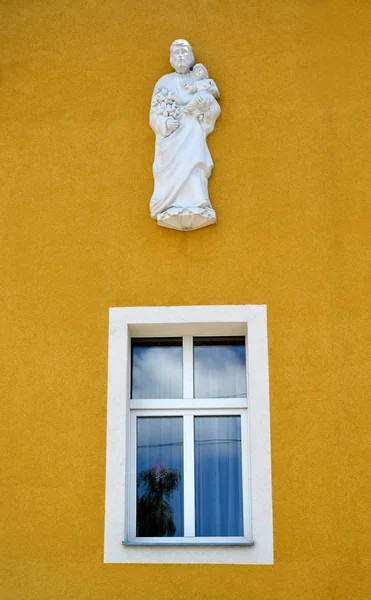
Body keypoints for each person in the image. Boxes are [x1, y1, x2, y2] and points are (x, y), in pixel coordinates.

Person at [149, 40, 221, 231]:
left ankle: (197, 199)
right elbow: (154, 115)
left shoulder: (199, 81)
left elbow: (212, 107)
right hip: (172, 138)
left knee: (195, 161)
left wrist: (206, 111)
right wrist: (165, 123)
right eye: (176, 53)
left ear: (191, 57)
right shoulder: (164, 82)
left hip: (193, 133)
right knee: (176, 165)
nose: (181, 56)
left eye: (184, 52)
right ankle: (170, 201)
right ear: (171, 59)